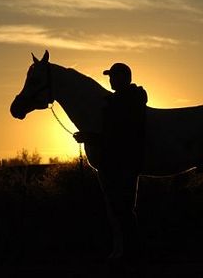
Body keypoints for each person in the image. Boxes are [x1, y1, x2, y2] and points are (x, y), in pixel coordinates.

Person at [74, 63, 147, 265]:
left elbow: (119, 136)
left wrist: (90, 137)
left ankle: (132, 254)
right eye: (110, 77)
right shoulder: (121, 101)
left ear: (124, 78)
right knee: (120, 208)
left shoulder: (126, 104)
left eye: (113, 76)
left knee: (123, 209)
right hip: (120, 162)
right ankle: (128, 253)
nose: (110, 80)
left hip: (124, 163)